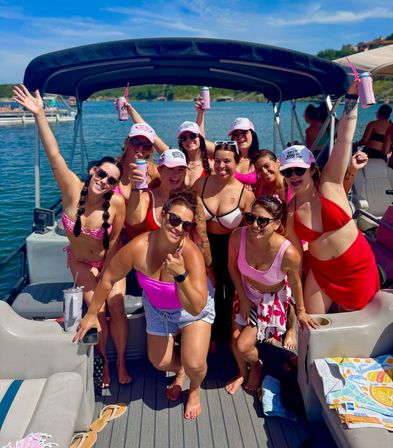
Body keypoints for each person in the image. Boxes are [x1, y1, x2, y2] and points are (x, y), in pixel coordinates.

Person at [13, 84, 130, 388]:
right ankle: (104, 360)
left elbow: (117, 242)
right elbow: (54, 155)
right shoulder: (71, 188)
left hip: (110, 264)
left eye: (112, 181)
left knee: (117, 307)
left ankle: (120, 362)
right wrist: (39, 115)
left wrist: (108, 273)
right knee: (99, 310)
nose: (104, 182)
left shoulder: (116, 204)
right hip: (79, 262)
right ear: (93, 172)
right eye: (101, 175)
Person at [74, 188, 215, 419]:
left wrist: (181, 276)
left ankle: (195, 388)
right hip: (159, 310)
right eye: (174, 219)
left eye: (186, 225)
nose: (178, 227)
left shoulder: (191, 255)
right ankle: (180, 370)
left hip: (191, 310)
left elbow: (197, 306)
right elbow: (109, 277)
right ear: (162, 216)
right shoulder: (139, 247)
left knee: (196, 365)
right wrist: (91, 313)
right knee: (160, 362)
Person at [282, 82, 380, 313]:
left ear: (312, 169)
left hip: (356, 267)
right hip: (321, 274)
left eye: (299, 170)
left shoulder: (330, 183)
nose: (293, 175)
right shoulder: (289, 210)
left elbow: (344, 139)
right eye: (287, 171)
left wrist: (351, 99)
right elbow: (296, 257)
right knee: (315, 331)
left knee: (355, 334)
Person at [226, 196, 317, 394]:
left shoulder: (288, 254)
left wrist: (301, 311)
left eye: (263, 221)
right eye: (251, 218)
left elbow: (295, 283)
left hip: (268, 301)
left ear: (276, 224)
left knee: (242, 345)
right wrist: (242, 296)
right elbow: (232, 267)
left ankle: (256, 365)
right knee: (233, 339)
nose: (254, 225)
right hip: (244, 292)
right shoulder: (237, 236)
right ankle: (243, 372)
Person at [193, 142, 255, 347]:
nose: (221, 166)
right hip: (204, 245)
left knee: (230, 293)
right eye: (217, 161)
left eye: (227, 161)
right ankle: (209, 335)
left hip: (232, 249)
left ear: (237, 163)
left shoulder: (245, 195)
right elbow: (195, 223)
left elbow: (252, 230)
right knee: (207, 291)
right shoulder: (200, 185)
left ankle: (229, 334)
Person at [126, 149, 214, 282]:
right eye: (171, 169)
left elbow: (201, 239)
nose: (176, 174)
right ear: (160, 170)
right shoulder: (148, 197)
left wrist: (208, 271)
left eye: (180, 169)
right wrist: (134, 187)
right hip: (153, 270)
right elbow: (133, 220)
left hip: (183, 269)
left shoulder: (193, 200)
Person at [126, 101, 212, 186]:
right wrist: (131, 112)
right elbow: (152, 135)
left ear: (199, 138)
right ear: (181, 142)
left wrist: (201, 114)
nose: (189, 140)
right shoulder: (176, 159)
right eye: (184, 138)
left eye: (193, 136)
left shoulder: (211, 164)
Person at [115, 122, 159, 206]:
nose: (140, 148)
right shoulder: (113, 166)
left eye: (146, 145)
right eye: (135, 142)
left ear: (150, 151)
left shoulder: (154, 172)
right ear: (127, 143)